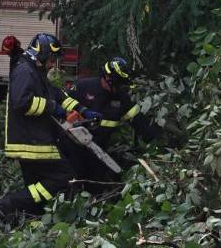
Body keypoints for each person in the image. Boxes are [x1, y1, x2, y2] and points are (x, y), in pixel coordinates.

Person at [0, 33, 101, 220]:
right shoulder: (24, 71)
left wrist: (83, 110)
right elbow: (21, 102)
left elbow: (57, 95)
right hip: (32, 142)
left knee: (36, 185)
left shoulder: (35, 72)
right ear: (42, 54)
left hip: (34, 140)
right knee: (64, 177)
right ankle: (12, 203)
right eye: (52, 60)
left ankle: (25, 217)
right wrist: (55, 109)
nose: (53, 64)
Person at [59, 56, 159, 189]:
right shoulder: (83, 87)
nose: (118, 88)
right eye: (117, 85)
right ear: (108, 78)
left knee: (95, 186)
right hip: (72, 147)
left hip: (98, 151)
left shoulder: (121, 98)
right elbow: (60, 103)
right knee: (71, 183)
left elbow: (138, 121)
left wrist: (155, 143)